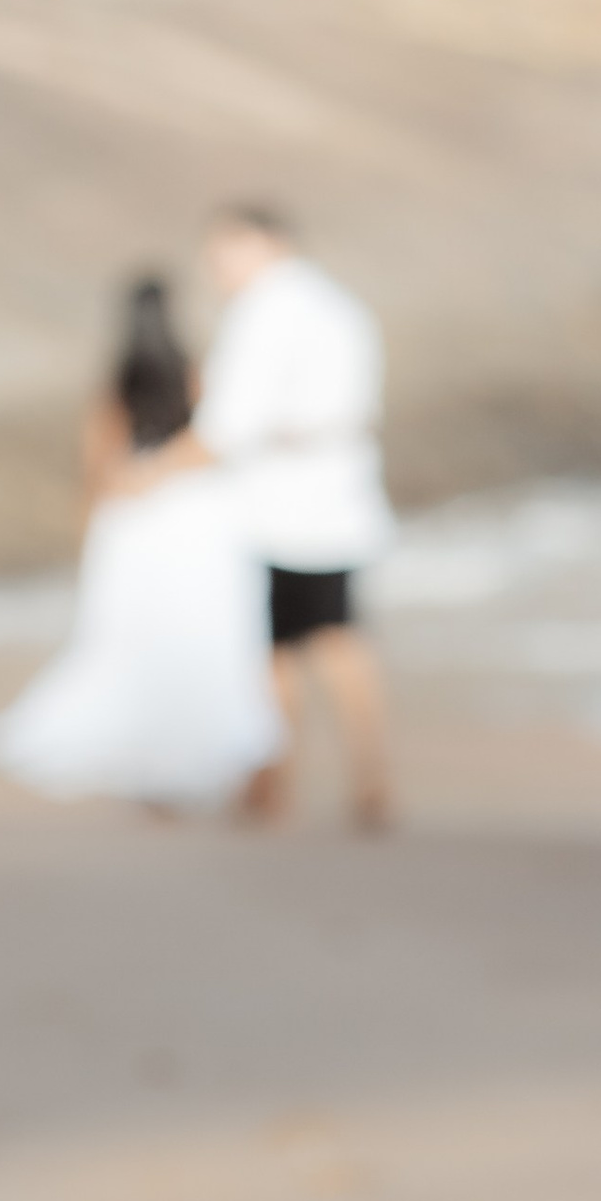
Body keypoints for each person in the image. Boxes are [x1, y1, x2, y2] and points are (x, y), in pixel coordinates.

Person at [0, 277, 285, 815]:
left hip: (135, 524)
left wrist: (92, 525)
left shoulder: (117, 383)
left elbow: (97, 462)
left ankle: (155, 776)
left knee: (138, 643)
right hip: (197, 518)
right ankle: (225, 765)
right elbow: (216, 441)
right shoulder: (196, 374)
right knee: (203, 642)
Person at [195, 201, 395, 832]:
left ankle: (272, 782)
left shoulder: (264, 311)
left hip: (279, 507)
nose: (216, 267)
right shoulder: (340, 306)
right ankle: (368, 777)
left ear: (266, 244)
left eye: (225, 252)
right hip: (340, 496)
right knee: (337, 637)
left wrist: (151, 475)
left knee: (273, 646)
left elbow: (228, 424)